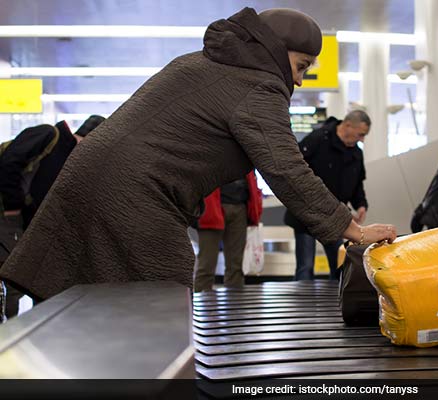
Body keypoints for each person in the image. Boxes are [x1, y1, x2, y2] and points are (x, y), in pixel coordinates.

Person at [0, 8, 396, 306]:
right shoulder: (258, 83)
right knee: (164, 291)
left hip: (92, 177)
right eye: (301, 66)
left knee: (97, 295)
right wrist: (354, 229)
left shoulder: (203, 63)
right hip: (135, 192)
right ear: (276, 51)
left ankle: (91, 371)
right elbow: (286, 168)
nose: (299, 79)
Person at [0, 115, 105, 320]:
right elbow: (8, 162)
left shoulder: (69, 159)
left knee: (20, 277)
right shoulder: (49, 134)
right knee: (12, 277)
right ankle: (7, 337)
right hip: (6, 215)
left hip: (19, 223)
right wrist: (13, 207)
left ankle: (15, 332)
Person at [284, 110, 370, 281]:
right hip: (306, 214)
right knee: (305, 266)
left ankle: (338, 306)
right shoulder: (317, 139)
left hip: (335, 217)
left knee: (340, 266)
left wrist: (361, 204)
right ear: (347, 125)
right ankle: (303, 304)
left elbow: (356, 184)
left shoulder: (356, 153)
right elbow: (293, 169)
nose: (362, 139)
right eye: (360, 134)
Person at [193, 172, 262, 291]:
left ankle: (235, 306)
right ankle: (202, 306)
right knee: (207, 266)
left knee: (236, 266)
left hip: (240, 206)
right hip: (211, 207)